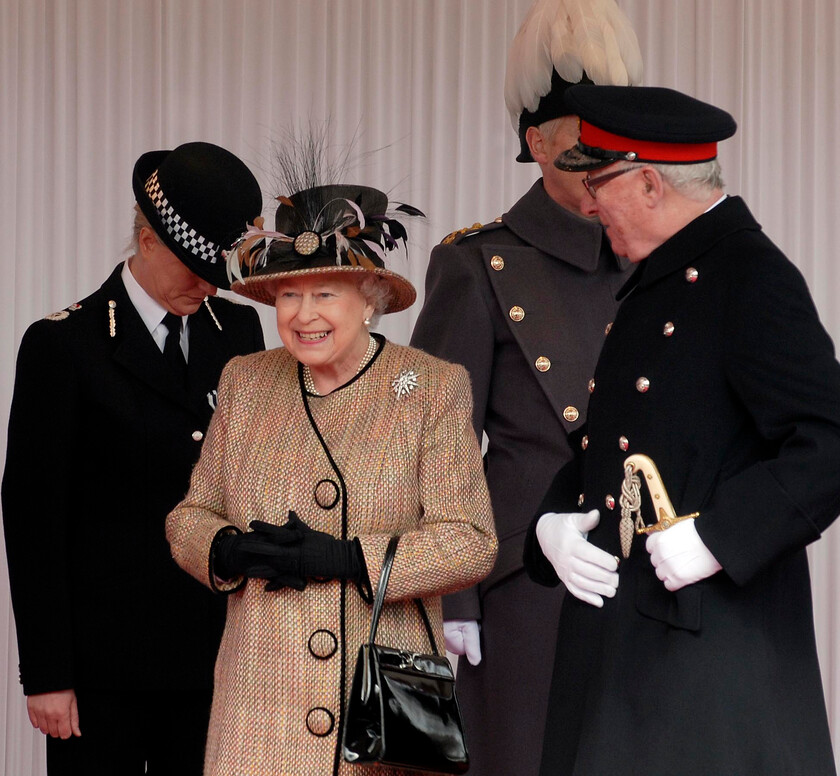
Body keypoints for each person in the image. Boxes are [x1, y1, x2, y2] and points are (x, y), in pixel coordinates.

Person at [524, 85, 840, 775]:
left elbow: (829, 444)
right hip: (628, 649)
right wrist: (551, 522)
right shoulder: (659, 278)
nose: (586, 202)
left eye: (596, 181)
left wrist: (718, 539)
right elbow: (618, 439)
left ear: (647, 181)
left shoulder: (750, 276)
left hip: (708, 658)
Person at [164, 171, 498, 775]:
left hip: (375, 710)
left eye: (326, 294)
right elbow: (190, 514)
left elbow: (471, 543)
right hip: (258, 705)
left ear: (369, 298)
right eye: (290, 294)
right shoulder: (247, 380)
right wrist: (226, 550)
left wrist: (349, 561)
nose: (303, 314)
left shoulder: (431, 388)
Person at [409, 1, 641, 772]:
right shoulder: (479, 264)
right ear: (537, 144)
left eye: (614, 154)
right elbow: (433, 450)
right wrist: (453, 597)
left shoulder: (660, 259)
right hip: (519, 591)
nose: (598, 176)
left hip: (645, 583)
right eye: (580, 153)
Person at [2, 141, 266, 775]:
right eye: (194, 267)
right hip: (102, 675)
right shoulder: (63, 346)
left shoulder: (240, 336)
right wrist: (47, 675)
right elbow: (33, 521)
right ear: (148, 240)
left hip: (213, 661)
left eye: (216, 269)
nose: (207, 285)